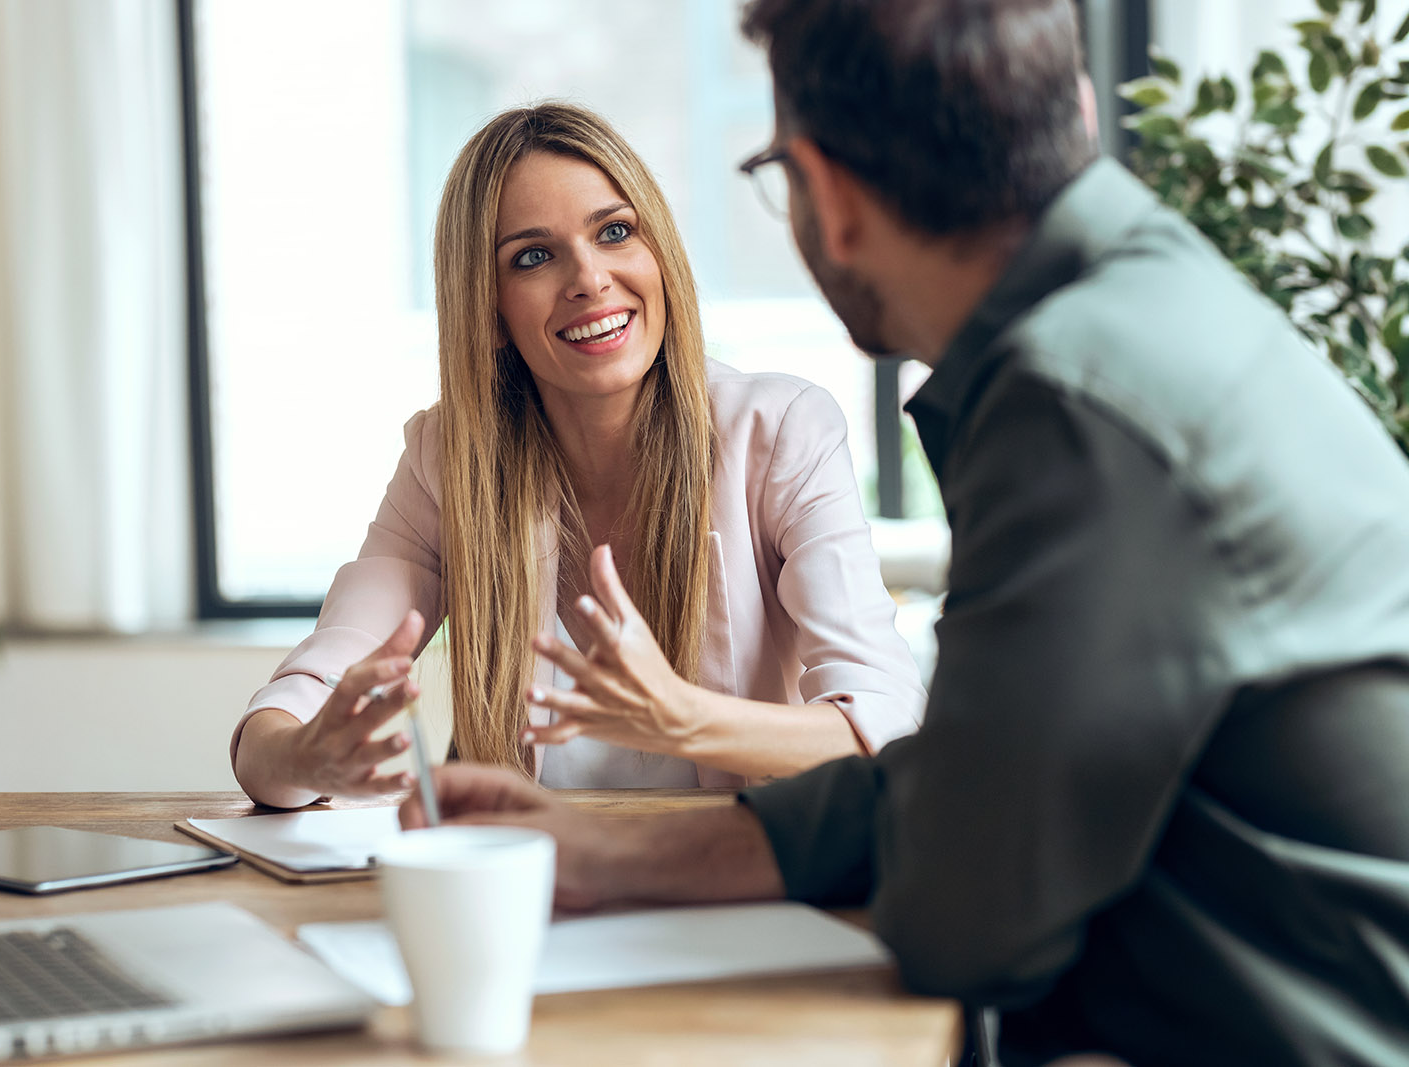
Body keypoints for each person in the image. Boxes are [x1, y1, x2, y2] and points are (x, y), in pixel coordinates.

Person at [402, 2, 1409, 1065]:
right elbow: (971, 785)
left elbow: (963, 916)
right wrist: (597, 846)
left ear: (825, 195)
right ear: (1072, 112)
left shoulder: (1071, 402)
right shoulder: (1156, 308)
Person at [231, 103, 927, 809]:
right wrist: (306, 756)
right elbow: (283, 725)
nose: (590, 278)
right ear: (490, 309)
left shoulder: (778, 431)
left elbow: (887, 723)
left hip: (733, 880)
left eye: (615, 232)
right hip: (539, 889)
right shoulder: (448, 459)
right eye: (533, 256)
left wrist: (684, 719)